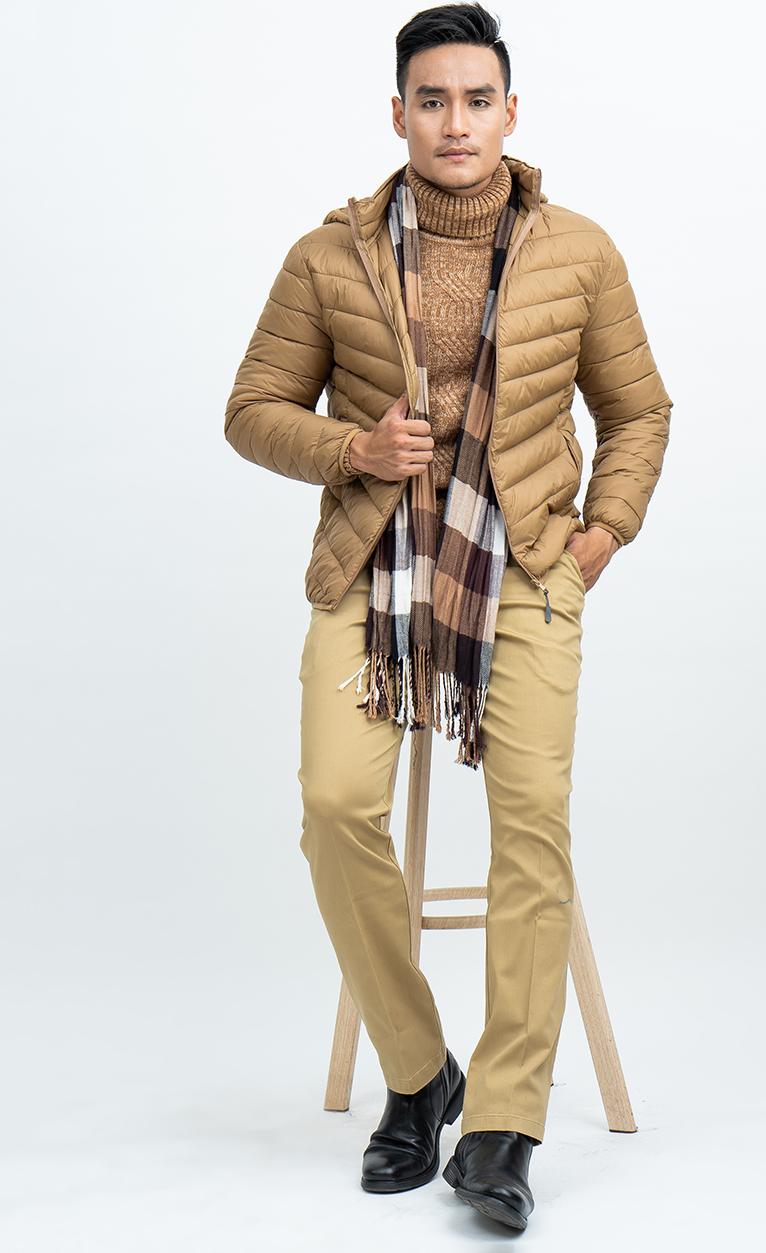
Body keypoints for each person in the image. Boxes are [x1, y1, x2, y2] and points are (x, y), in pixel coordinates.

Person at [224, 1, 672, 1230]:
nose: (455, 122)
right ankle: (420, 1072)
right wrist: (351, 449)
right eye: (433, 101)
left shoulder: (579, 251)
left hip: (524, 563)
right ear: (399, 114)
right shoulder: (328, 257)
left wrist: (598, 537)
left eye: (478, 100)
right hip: (373, 566)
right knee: (332, 804)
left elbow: (639, 411)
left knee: (531, 823)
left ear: (511, 113)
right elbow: (253, 407)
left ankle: (505, 1122)